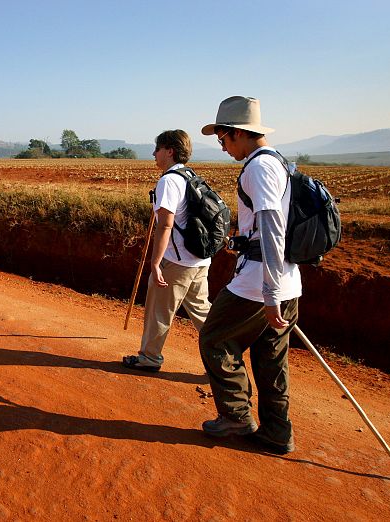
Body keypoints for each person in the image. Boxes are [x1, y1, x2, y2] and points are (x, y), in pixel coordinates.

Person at [198, 96, 301, 454]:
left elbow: (272, 228)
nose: (222, 147)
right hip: (288, 279)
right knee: (270, 358)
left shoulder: (258, 168)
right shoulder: (280, 163)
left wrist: (270, 292)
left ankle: (236, 415)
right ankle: (277, 431)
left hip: (259, 282)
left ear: (238, 133)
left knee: (214, 339)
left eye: (222, 138)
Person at [122, 130, 211, 372]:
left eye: (157, 149)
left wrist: (155, 262)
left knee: (158, 311)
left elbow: (165, 225)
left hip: (176, 261)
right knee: (203, 313)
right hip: (199, 260)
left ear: (169, 151)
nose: (154, 154)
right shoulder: (191, 176)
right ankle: (223, 362)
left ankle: (149, 358)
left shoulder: (169, 180)